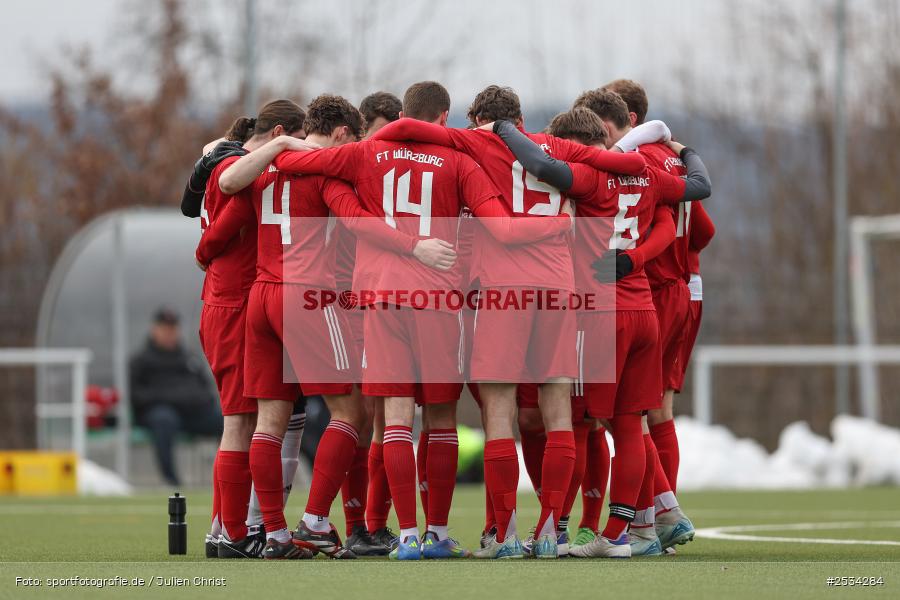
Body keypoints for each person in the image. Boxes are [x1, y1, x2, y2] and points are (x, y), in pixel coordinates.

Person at [371, 85, 647, 558]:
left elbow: (407, 128)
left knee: (500, 416)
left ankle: (504, 535)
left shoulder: (473, 142)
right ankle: (549, 532)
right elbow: (632, 165)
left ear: (478, 118)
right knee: (558, 413)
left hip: (503, 291)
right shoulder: (555, 145)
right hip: (559, 289)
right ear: (520, 119)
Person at [487, 104, 710, 558]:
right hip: (644, 308)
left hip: (600, 316)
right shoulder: (647, 174)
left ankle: (566, 527)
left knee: (580, 422)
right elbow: (697, 190)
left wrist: (504, 129)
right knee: (630, 425)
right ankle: (628, 531)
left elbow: (540, 164)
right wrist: (684, 149)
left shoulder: (590, 178)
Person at [130, 308, 222, 487]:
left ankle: (229, 477)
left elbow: (207, 392)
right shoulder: (141, 361)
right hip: (159, 415)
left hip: (193, 414)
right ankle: (171, 481)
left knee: (229, 422)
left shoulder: (189, 359)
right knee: (164, 419)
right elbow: (137, 396)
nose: (169, 334)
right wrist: (170, 398)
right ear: (154, 330)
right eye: (164, 329)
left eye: (172, 329)